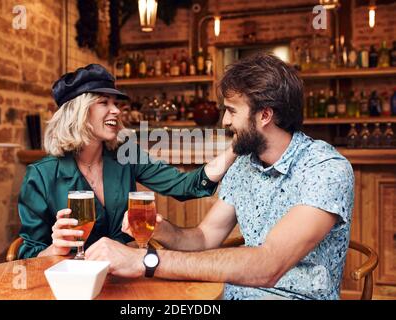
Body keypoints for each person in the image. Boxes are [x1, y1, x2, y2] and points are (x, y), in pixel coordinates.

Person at [85, 53, 355, 300]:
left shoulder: (324, 169)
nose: (225, 121)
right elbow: (204, 238)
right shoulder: (243, 165)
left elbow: (268, 265)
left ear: (265, 115)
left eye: (232, 111)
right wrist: (161, 229)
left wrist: (145, 260)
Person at [17, 64, 236, 259]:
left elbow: (185, 186)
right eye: (104, 102)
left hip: (124, 275)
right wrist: (56, 248)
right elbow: (28, 254)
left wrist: (235, 148)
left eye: (115, 102)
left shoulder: (125, 155)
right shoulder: (41, 175)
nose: (116, 110)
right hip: (73, 283)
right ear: (78, 112)